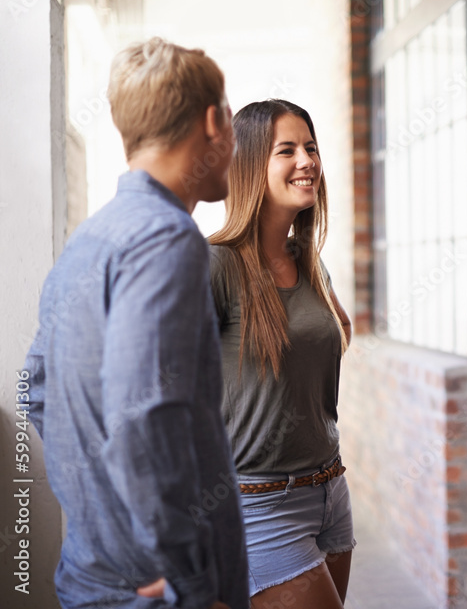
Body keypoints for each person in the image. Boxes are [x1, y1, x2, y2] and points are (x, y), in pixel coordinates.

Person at [23, 38, 247, 609]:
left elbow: (36, 388)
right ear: (213, 122)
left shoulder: (90, 239)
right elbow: (147, 414)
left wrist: (102, 516)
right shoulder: (166, 238)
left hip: (95, 572)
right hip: (157, 592)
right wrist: (191, 582)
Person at [208, 99, 355, 608]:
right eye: (287, 150)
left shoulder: (308, 261)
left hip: (330, 491)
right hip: (257, 504)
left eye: (311, 148)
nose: (307, 161)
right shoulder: (215, 265)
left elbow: (336, 336)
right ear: (249, 163)